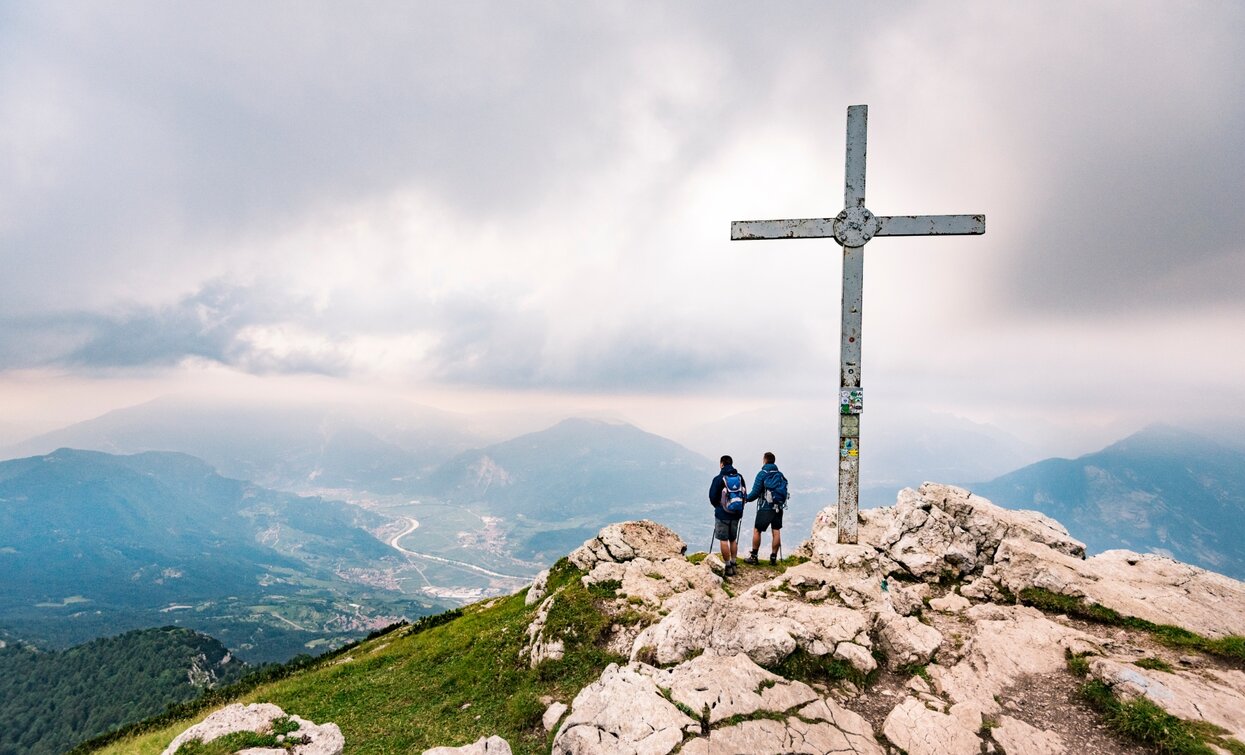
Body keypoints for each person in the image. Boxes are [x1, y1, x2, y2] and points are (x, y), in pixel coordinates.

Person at [745, 451, 788, 565]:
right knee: (776, 531)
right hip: (778, 507)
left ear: (764, 460)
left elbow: (754, 493)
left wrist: (746, 499)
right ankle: (773, 558)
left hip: (766, 507)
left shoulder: (762, 474)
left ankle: (754, 557)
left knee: (757, 530)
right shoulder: (780, 474)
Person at [708, 454, 746, 576]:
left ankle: (728, 566)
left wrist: (719, 507)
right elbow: (744, 495)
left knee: (723, 540)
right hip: (736, 514)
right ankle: (734, 563)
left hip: (722, 514)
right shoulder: (739, 477)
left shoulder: (718, 479)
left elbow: (712, 497)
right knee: (733, 539)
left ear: (721, 464)